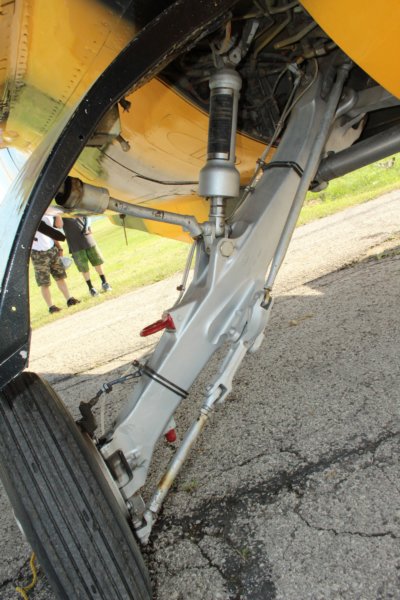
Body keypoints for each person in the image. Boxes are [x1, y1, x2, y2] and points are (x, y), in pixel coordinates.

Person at [31, 214, 80, 314]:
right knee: (44, 283)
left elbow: (58, 226)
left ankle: (69, 299)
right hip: (38, 253)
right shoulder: (31, 216)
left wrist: (58, 214)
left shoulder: (49, 213)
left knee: (60, 277)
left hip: (52, 250)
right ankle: (51, 307)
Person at [62, 217, 112, 297]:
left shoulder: (78, 209)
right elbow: (58, 225)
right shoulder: (60, 213)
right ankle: (91, 288)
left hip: (87, 239)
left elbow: (87, 217)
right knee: (84, 268)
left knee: (97, 262)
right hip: (75, 244)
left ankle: (104, 283)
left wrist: (88, 227)